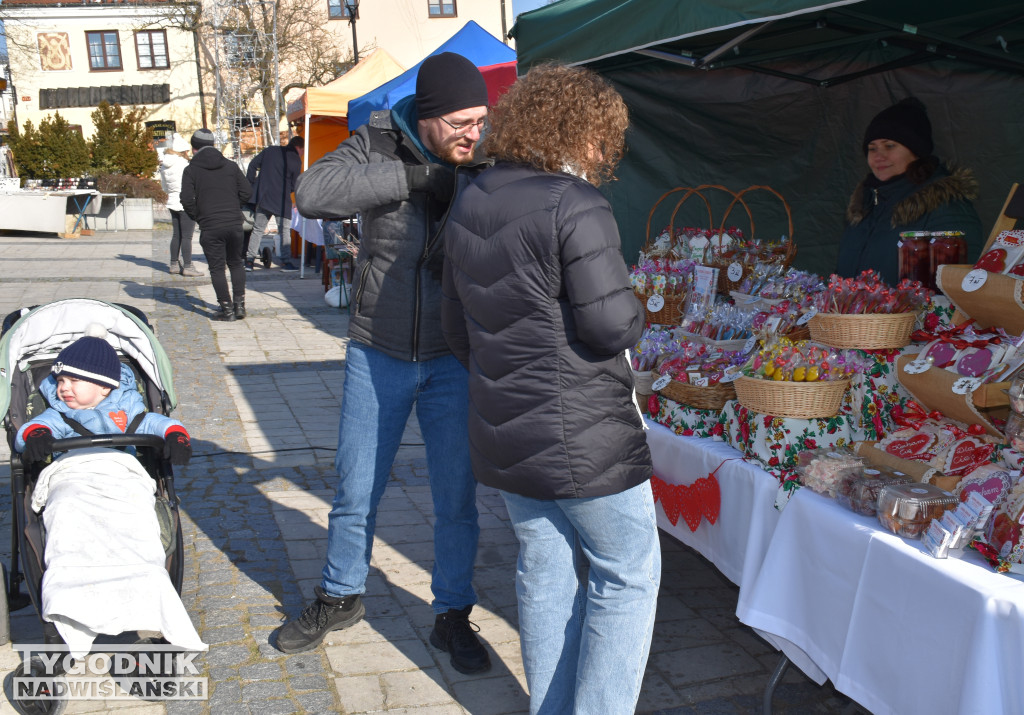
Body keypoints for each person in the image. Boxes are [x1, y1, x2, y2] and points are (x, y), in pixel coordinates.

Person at [440, 64, 661, 715]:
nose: (605, 153)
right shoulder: (575, 202)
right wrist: (638, 303)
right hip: (586, 434)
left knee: (544, 566)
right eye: (602, 138)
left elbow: (460, 330)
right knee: (626, 574)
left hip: (505, 429)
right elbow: (609, 323)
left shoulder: (473, 196)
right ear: (576, 129)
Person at [277, 52, 492, 674]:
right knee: (355, 489)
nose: (472, 133)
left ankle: (453, 613)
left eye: (479, 120)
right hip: (379, 350)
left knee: (457, 496)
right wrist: (412, 181)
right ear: (426, 117)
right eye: (459, 122)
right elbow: (313, 193)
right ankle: (341, 596)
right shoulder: (374, 140)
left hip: (454, 356)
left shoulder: (483, 157)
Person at [836, 97, 983, 284]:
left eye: (889, 146)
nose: (879, 156)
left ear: (916, 150)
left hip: (912, 314)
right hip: (853, 313)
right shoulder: (864, 205)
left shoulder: (946, 206)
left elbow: (959, 284)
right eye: (872, 149)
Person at [15, 325, 192, 466]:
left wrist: (175, 434)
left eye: (74, 380)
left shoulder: (128, 410)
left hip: (122, 472)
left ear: (104, 387)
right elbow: (38, 426)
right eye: (60, 380)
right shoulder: (59, 414)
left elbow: (154, 423)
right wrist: (36, 434)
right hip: (72, 473)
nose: (64, 388)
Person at [181, 128, 253, 322]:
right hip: (234, 223)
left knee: (217, 268)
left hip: (210, 225)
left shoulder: (191, 170)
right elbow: (247, 191)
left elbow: (186, 199)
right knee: (236, 263)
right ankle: (239, 306)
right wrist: (233, 207)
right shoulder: (230, 166)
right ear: (213, 145)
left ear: (194, 148)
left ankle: (227, 310)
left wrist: (200, 216)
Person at [244, 135, 304, 272]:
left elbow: (252, 165)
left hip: (263, 197)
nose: (302, 154)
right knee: (284, 232)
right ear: (297, 148)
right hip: (282, 202)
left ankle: (249, 261)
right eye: (302, 150)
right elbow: (295, 185)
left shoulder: (270, 151)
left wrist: (252, 185)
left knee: (258, 230)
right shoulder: (295, 161)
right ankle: (285, 263)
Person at [158, 133, 204, 277]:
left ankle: (173, 264)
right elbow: (193, 185)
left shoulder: (164, 166)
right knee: (187, 237)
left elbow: (164, 187)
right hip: (186, 202)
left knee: (176, 235)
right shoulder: (185, 164)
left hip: (172, 201)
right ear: (183, 151)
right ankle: (188, 266)